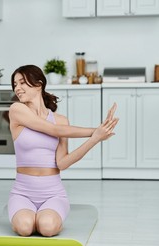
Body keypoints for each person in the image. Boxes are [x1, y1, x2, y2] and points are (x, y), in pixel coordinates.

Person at [8, 65, 118, 237]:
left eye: (22, 82)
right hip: (22, 193)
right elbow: (53, 131)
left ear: (39, 84)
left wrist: (95, 138)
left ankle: (45, 217)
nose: (17, 88)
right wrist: (94, 130)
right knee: (24, 228)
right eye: (15, 84)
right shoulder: (17, 110)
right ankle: (28, 216)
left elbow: (63, 163)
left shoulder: (60, 120)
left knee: (47, 227)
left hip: (53, 194)